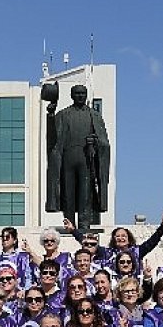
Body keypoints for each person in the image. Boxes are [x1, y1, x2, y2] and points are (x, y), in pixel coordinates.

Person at [46, 85, 111, 232]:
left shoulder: (94, 115)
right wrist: (50, 115)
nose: (80, 96)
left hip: (86, 159)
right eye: (77, 93)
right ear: (72, 95)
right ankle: (70, 225)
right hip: (67, 158)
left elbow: (104, 142)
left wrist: (94, 142)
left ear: (86, 95)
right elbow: (52, 137)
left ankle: (84, 225)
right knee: (68, 193)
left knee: (85, 194)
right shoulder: (63, 115)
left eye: (83, 93)